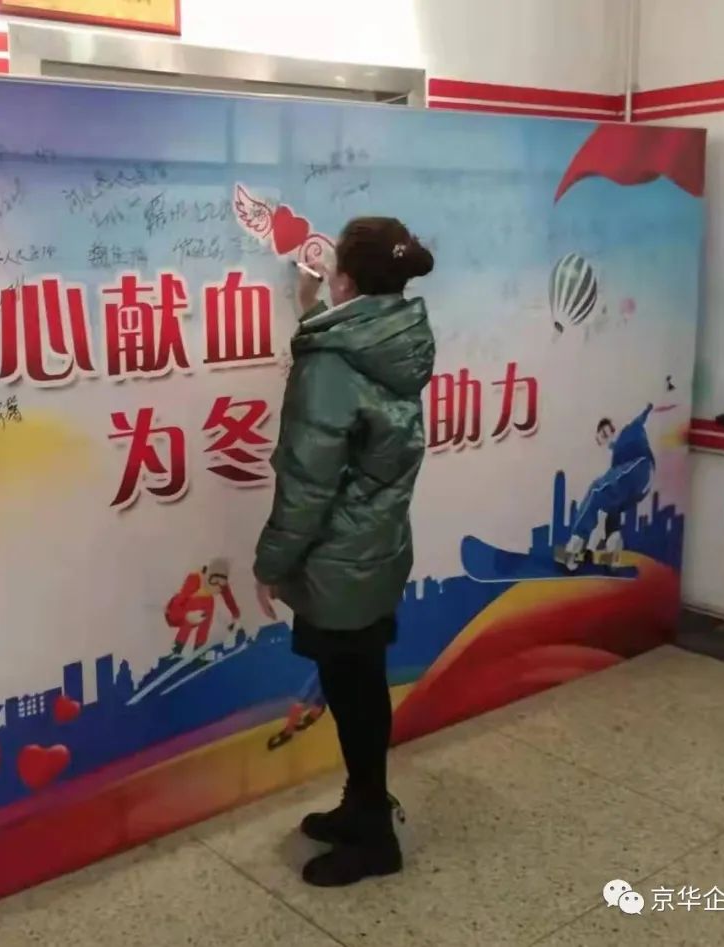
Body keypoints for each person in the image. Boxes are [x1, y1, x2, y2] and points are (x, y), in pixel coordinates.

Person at [253, 217, 436, 887]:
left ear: (346, 279)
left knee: (352, 690)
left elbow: (308, 481)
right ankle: (362, 806)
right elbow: (356, 399)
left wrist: (271, 563)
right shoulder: (401, 336)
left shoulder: (331, 362)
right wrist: (311, 311)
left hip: (335, 558)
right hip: (377, 546)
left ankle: (374, 836)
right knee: (361, 681)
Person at [562, 404, 655, 571]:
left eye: (606, 434)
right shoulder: (617, 462)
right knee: (611, 508)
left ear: (612, 428)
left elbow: (640, 419)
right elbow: (601, 510)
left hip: (641, 468)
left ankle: (575, 546)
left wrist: (649, 408)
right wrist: (591, 549)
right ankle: (613, 553)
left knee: (596, 490)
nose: (608, 441)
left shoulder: (628, 431)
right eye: (603, 440)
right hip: (640, 485)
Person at [164, 557, 241, 657]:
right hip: (189, 604)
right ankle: (177, 647)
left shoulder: (222, 586)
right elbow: (179, 601)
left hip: (207, 603)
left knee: (205, 623)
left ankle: (199, 647)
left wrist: (236, 614)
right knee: (188, 624)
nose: (217, 585)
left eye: (222, 582)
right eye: (214, 580)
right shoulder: (195, 578)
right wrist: (185, 615)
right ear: (208, 574)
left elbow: (229, 599)